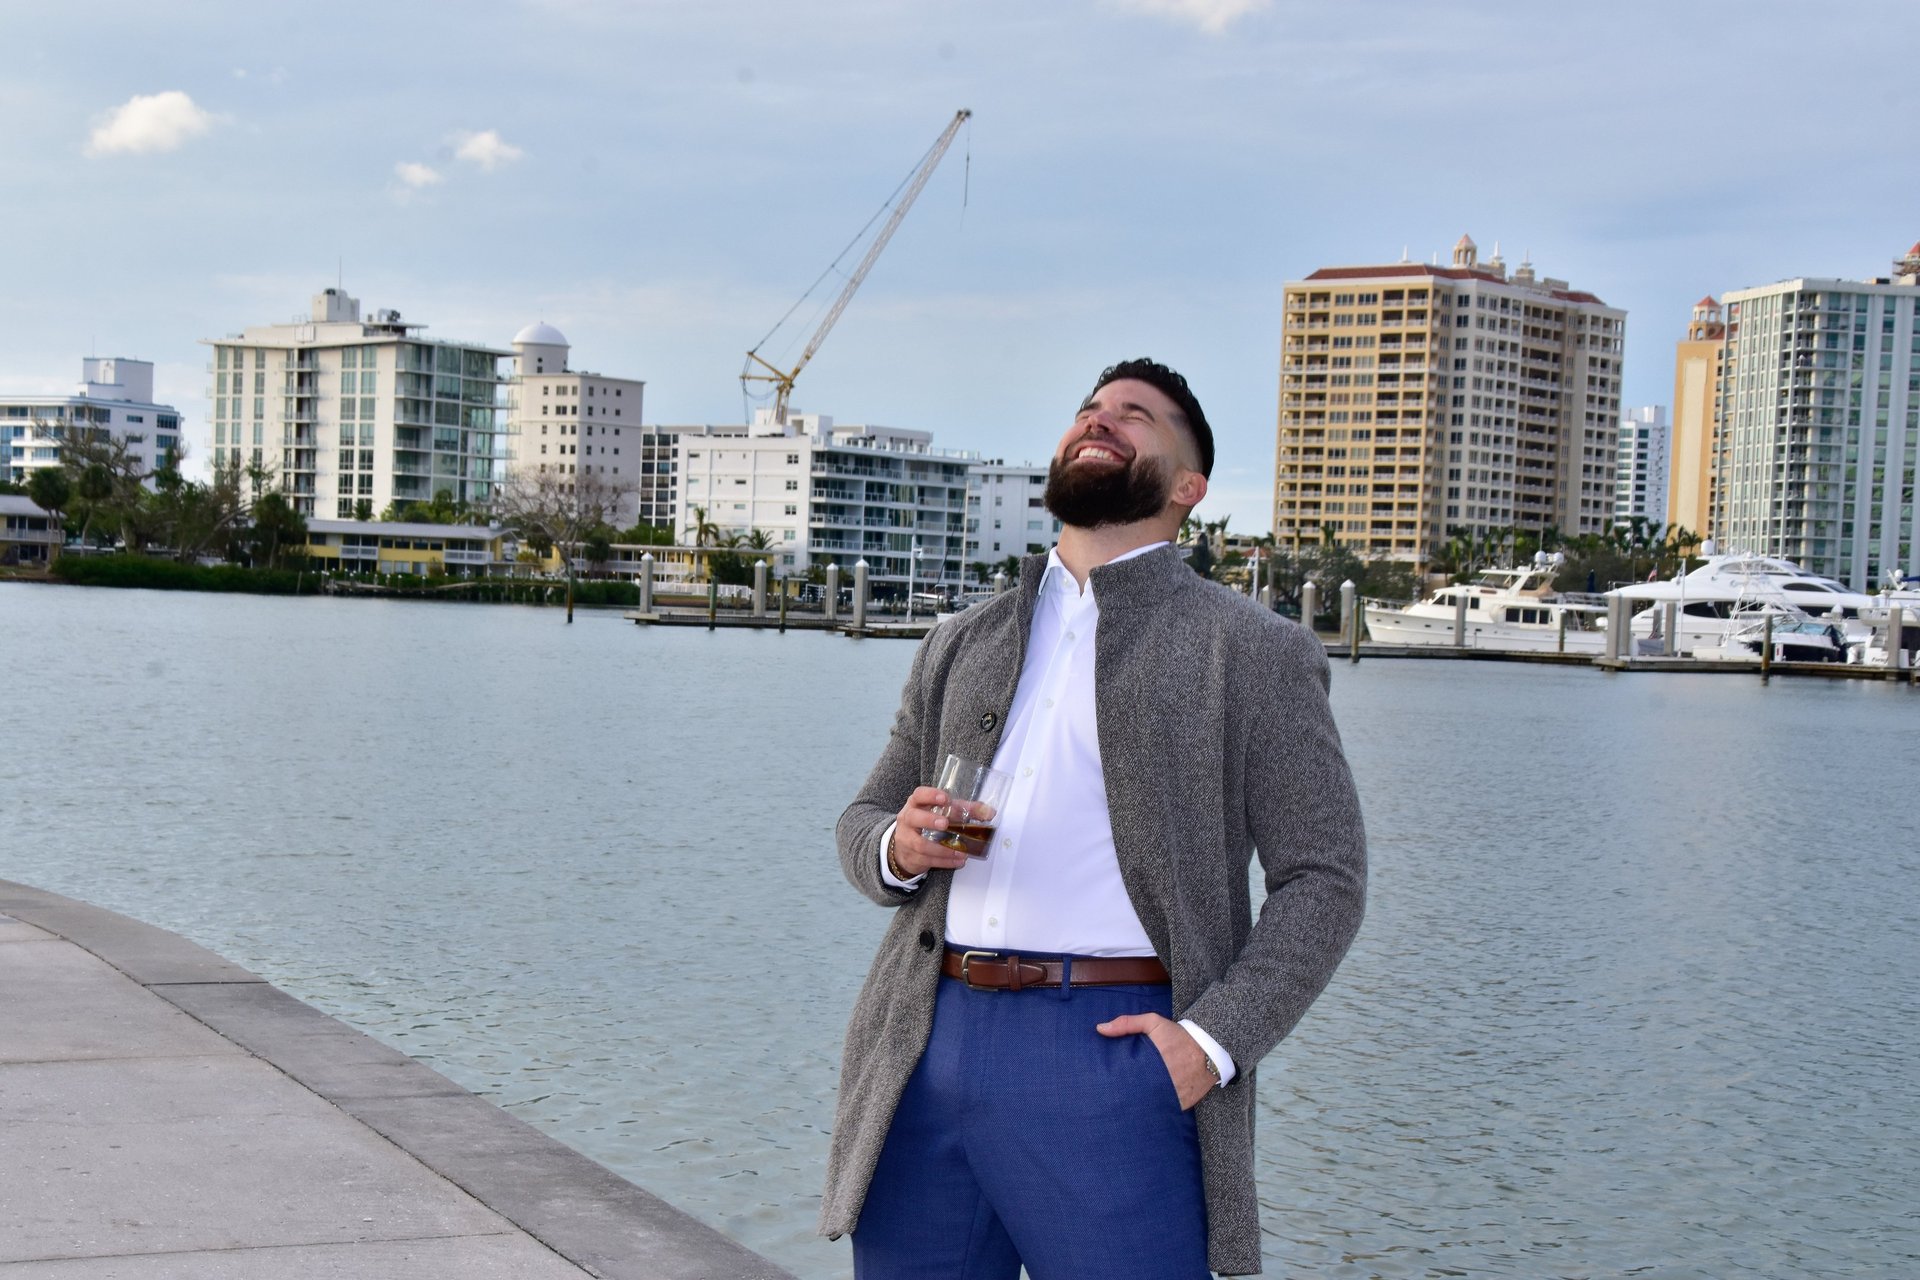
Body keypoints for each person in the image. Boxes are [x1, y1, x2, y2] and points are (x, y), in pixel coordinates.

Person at [819, 358, 1367, 1278]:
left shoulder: (1256, 652)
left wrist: (1211, 1044)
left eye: (1137, 417)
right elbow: (866, 816)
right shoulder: (964, 639)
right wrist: (898, 847)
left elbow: (1326, 879)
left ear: (1188, 488)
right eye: (1089, 409)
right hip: (923, 1043)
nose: (1101, 421)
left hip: (1115, 1055)